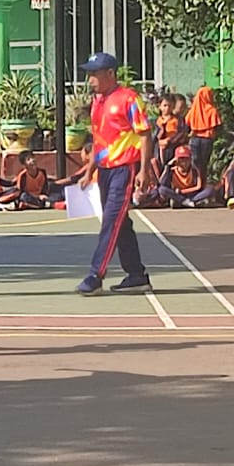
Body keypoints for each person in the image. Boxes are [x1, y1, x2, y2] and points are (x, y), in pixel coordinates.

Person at [76, 52, 153, 295]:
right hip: (105, 170)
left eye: (95, 73)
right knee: (120, 223)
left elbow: (144, 134)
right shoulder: (97, 103)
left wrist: (144, 170)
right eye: (89, 74)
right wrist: (89, 170)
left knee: (111, 220)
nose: (91, 79)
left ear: (110, 73)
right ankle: (137, 275)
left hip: (124, 169)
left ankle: (95, 275)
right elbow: (99, 141)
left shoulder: (129, 99)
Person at [186, 86, 220, 179]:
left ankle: (194, 181)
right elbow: (216, 126)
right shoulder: (212, 110)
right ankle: (202, 181)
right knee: (204, 164)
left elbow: (187, 122)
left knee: (195, 162)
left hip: (194, 138)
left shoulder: (193, 110)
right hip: (207, 139)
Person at [154, 94, 186, 168]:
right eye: (165, 105)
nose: (167, 108)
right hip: (159, 149)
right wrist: (159, 139)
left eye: (170, 106)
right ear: (159, 106)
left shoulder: (178, 120)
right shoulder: (156, 121)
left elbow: (181, 133)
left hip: (173, 148)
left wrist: (169, 141)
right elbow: (153, 137)